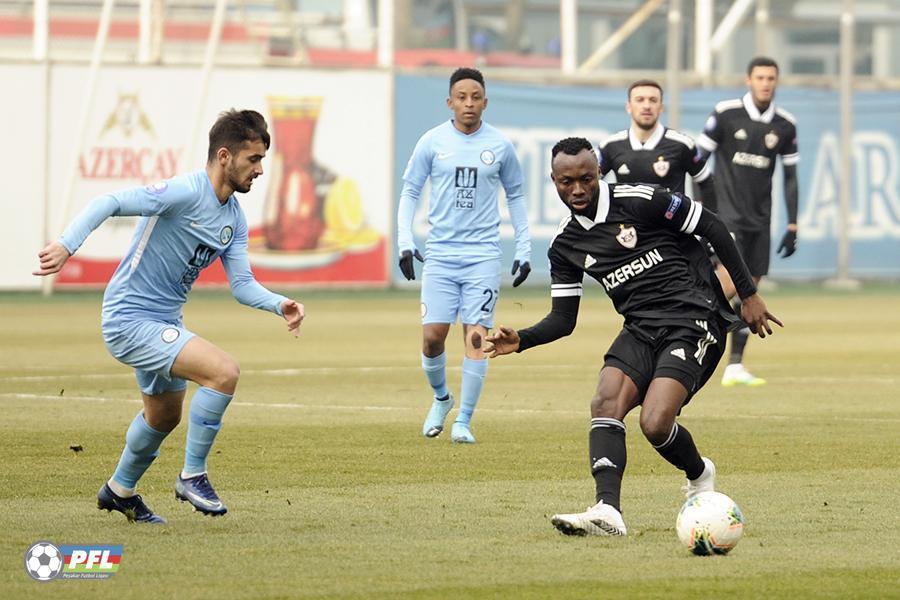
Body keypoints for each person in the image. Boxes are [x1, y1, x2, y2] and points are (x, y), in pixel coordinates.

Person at [484, 137, 781, 536]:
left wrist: (748, 294)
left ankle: (699, 473)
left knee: (655, 423)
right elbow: (564, 319)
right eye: (567, 182)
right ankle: (607, 510)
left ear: (599, 174)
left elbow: (711, 225)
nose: (577, 189)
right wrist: (522, 339)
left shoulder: (641, 200)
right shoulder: (565, 245)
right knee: (604, 401)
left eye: (587, 179)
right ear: (554, 181)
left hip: (693, 319)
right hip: (640, 328)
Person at [33, 109, 304, 524]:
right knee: (223, 372)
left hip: (164, 323)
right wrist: (66, 245)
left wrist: (279, 303)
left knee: (164, 415)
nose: (260, 170)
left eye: (262, 160)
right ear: (225, 156)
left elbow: (242, 284)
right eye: (254, 159)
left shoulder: (234, 218)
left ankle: (119, 490)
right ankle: (192, 475)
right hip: (129, 318)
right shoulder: (182, 193)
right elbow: (109, 202)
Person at [397, 67, 532, 444]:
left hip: (483, 257)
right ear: (449, 102)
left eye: (475, 97)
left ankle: (464, 422)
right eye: (462, 97)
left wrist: (523, 248)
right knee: (432, 337)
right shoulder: (432, 142)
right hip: (440, 255)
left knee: (476, 338)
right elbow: (410, 192)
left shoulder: (500, 146)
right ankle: (442, 399)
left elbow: (516, 196)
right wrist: (404, 240)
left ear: (485, 102)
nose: (469, 103)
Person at [697, 56, 799, 387]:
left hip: (760, 222)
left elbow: (790, 177)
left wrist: (792, 224)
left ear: (776, 81)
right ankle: (683, 336)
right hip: (727, 218)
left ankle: (735, 366)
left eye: (771, 78)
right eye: (760, 77)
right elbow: (697, 162)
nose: (765, 83)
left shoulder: (785, 124)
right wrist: (700, 210)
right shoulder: (726, 114)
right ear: (748, 80)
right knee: (726, 286)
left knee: (750, 293)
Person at [598, 79, 718, 207]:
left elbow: (706, 182)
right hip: (627, 220)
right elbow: (590, 183)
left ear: (661, 108)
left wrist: (706, 217)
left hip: (671, 220)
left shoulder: (682, 144)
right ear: (628, 107)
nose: (647, 106)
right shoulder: (610, 145)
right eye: (640, 100)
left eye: (653, 100)